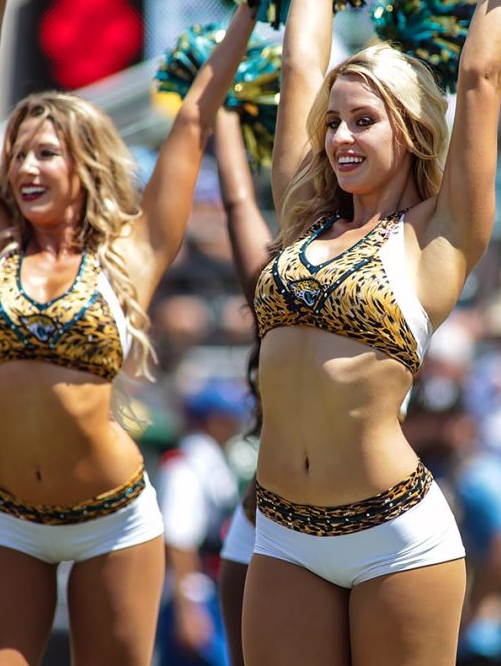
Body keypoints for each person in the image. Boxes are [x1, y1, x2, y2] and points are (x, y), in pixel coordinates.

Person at [0, 0, 255, 665]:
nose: (25, 167)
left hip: (111, 519)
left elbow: (192, 120)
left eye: (46, 153)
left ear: (82, 165)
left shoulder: (128, 254)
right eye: (19, 154)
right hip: (3, 517)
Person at [240, 0, 501, 663]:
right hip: (284, 532)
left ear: (411, 127)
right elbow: (301, 64)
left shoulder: (437, 237)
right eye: (333, 122)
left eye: (363, 119)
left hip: (394, 537)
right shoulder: (305, 217)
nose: (339, 137)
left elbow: (482, 79)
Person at [212, 102, 276, 666]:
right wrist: (226, 107)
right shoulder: (276, 289)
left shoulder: (395, 270)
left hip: (366, 516)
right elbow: (237, 201)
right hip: (260, 520)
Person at [156, 378, 251, 666]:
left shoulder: (213, 460)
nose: (233, 423)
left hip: (211, 594)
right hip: (191, 598)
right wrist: (189, 608)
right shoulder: (186, 464)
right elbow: (179, 540)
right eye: (226, 416)